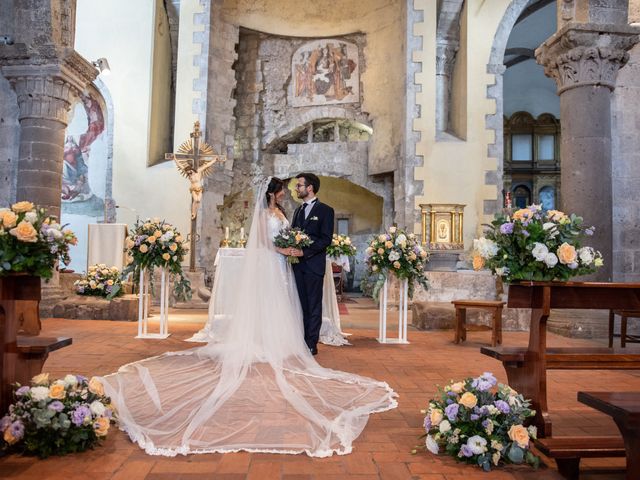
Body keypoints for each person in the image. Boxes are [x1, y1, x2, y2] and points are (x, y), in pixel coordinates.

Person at [98, 177, 396, 457]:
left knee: (289, 303)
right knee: (271, 301)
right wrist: (285, 248)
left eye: (295, 186)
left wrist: (292, 249)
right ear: (271, 192)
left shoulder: (284, 211)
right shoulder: (268, 214)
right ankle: (267, 340)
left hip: (286, 264)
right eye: (283, 189)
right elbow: (267, 242)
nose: (288, 192)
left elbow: (308, 237)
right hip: (274, 261)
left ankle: (293, 341)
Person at [290, 173, 334, 356]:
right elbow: (293, 234)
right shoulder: (298, 211)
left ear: (310, 188)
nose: (296, 188)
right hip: (297, 265)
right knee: (301, 305)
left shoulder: (325, 210)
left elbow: (326, 240)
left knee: (314, 305)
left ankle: (311, 343)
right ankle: (301, 340)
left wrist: (304, 252)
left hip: (313, 265)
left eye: (299, 185)